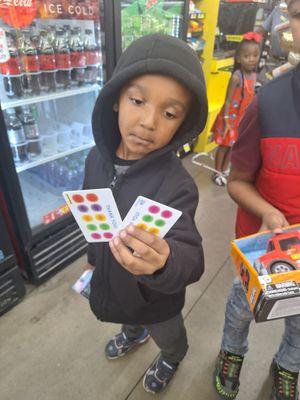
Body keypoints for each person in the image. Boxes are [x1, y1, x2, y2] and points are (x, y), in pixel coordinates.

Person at [82, 34, 208, 394]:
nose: (149, 121)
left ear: (182, 125)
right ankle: (132, 333)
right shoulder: (95, 158)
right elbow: (93, 223)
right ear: (116, 100)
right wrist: (93, 260)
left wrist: (165, 262)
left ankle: (172, 356)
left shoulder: (177, 185)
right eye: (138, 100)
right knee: (125, 315)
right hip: (113, 282)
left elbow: (192, 257)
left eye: (169, 113)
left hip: (157, 298)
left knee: (167, 333)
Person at [213, 0, 300, 399]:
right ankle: (232, 353)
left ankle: (288, 364)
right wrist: (267, 212)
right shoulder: (268, 103)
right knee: (240, 308)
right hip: (260, 246)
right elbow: (238, 180)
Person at [211, 32, 261, 186]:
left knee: (233, 146)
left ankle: (225, 169)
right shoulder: (236, 77)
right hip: (229, 119)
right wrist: (226, 122)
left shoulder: (254, 76)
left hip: (241, 119)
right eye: (246, 56)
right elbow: (227, 101)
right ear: (238, 58)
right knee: (224, 147)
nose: (251, 59)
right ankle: (217, 172)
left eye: (255, 55)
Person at [256, 0, 291, 82]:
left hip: (294, 67)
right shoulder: (277, 11)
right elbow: (260, 33)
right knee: (264, 88)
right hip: (273, 64)